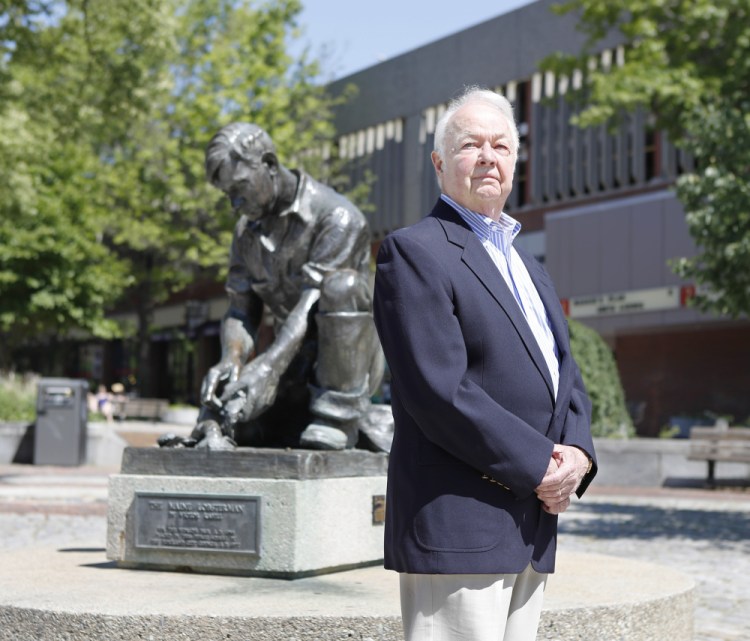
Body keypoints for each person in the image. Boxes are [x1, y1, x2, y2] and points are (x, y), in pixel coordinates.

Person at [372, 87, 598, 641]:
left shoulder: (529, 265)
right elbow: (439, 392)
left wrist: (579, 454)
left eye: (500, 145)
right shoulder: (414, 251)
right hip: (458, 526)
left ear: (515, 161)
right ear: (439, 162)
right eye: (471, 144)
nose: (487, 157)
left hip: (531, 527)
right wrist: (542, 465)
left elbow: (564, 373)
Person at [191, 122, 387, 451]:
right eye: (228, 195)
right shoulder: (246, 233)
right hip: (290, 364)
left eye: (239, 188)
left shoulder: (338, 218)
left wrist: (267, 366)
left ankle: (337, 418)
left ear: (268, 164)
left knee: (342, 285)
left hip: (347, 368)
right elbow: (240, 308)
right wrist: (232, 359)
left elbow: (310, 304)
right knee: (237, 428)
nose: (234, 204)